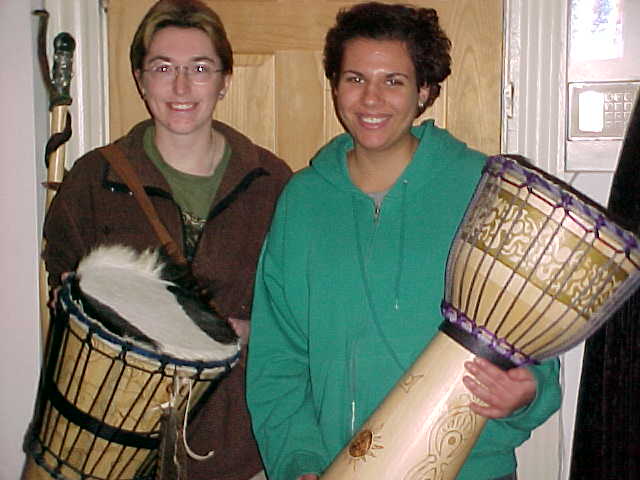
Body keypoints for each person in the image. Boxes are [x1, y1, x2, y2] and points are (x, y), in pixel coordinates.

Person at [246, 3, 561, 480]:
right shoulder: (303, 201)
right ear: (335, 86)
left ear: (425, 90)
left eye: (393, 81)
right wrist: (297, 462)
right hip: (339, 470)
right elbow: (278, 357)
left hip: (471, 470)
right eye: (355, 79)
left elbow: (536, 337)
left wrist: (528, 391)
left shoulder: (484, 189)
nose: (371, 99)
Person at [42, 1, 291, 479]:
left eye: (199, 68)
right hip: (117, 450)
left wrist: (251, 333)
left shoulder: (272, 183)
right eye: (163, 68)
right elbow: (64, 295)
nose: (181, 87)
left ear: (224, 80)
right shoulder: (95, 180)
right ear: (140, 80)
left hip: (244, 450)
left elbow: (302, 317)